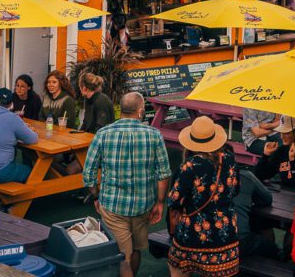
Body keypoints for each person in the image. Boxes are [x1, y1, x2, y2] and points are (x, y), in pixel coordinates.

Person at [82, 92, 173, 277]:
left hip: (113, 205)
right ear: (140, 112)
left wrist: (96, 196)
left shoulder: (103, 134)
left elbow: (88, 172)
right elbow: (164, 173)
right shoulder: (154, 135)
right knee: (136, 250)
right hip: (143, 205)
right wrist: (160, 202)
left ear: (121, 110)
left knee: (123, 255)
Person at [165, 116, 240, 277]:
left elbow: (174, 200)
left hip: (192, 234)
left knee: (176, 267)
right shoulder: (230, 159)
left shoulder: (190, 166)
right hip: (225, 233)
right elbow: (235, 190)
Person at [255, 118, 295, 191]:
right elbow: (260, 175)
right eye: (281, 132)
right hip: (284, 196)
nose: (281, 137)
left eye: (286, 133)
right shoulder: (282, 150)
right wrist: (266, 155)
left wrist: (292, 160)